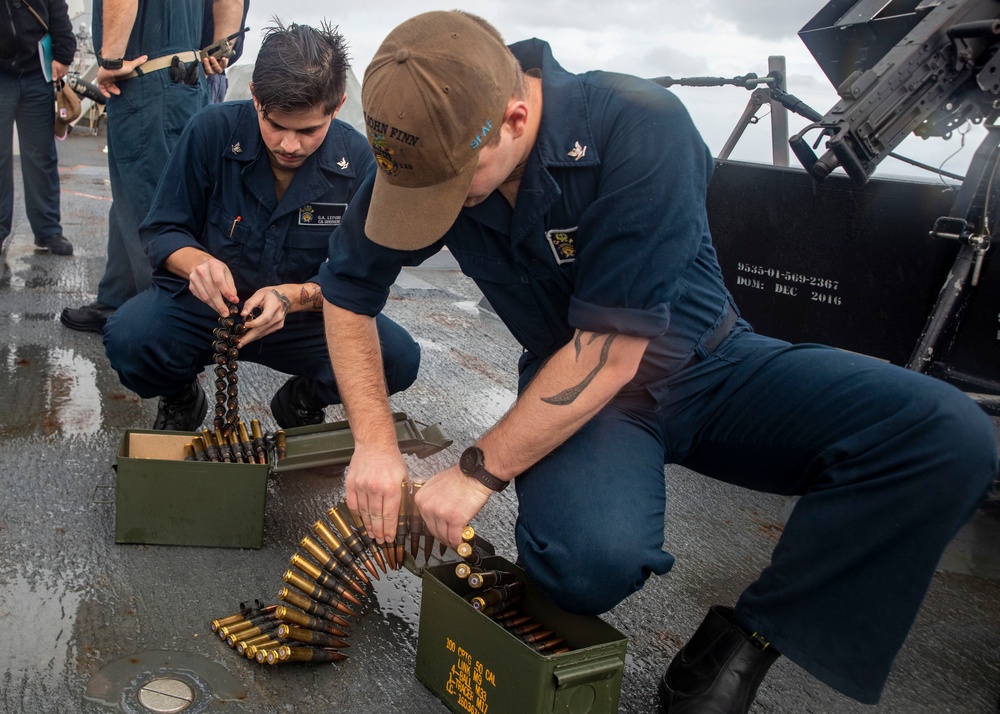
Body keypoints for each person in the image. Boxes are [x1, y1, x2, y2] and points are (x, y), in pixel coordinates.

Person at [316, 11, 999, 713]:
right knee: (584, 566)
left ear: (513, 118)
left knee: (946, 434)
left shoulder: (641, 126)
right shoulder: (429, 146)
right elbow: (346, 293)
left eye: (457, 185)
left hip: (714, 367)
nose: (445, 201)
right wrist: (373, 443)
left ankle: (752, 639)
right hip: (584, 399)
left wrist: (476, 472)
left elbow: (610, 351)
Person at [102, 20, 419, 432]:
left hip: (301, 317)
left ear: (337, 107)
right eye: (276, 125)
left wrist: (292, 298)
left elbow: (361, 279)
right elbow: (163, 229)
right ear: (255, 97)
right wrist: (196, 261)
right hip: (207, 310)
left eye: (308, 130)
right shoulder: (210, 132)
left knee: (397, 359)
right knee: (131, 338)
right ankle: (180, 395)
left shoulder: (357, 161)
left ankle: (302, 401)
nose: (290, 145)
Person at [59, 0, 243, 334]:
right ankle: (118, 297)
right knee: (132, 194)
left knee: (151, 206)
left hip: (146, 77)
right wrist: (223, 47)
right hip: (187, 76)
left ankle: (167, 329)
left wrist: (111, 58)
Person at [0, 0, 77, 257]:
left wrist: (64, 54)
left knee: (41, 156)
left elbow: (57, 9)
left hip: (36, 73)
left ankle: (48, 231)